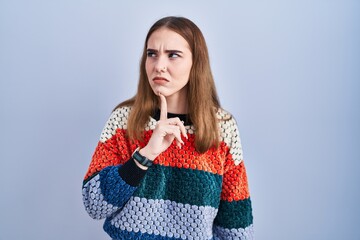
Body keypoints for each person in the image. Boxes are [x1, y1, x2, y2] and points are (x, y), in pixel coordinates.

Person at [82, 16, 254, 240]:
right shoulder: (123, 121)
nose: (158, 65)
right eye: (151, 54)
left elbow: (236, 226)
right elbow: (93, 204)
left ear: (196, 63)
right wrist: (145, 156)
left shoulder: (222, 128)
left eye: (173, 55)